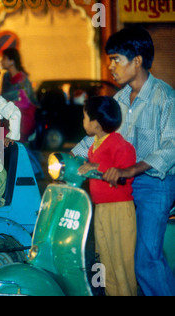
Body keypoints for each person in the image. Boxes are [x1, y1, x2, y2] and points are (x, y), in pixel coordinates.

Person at [71, 27, 175, 296]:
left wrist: (133, 168)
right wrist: (68, 159)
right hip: (120, 188)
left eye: (116, 59)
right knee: (115, 254)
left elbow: (171, 146)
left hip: (154, 185)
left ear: (137, 61)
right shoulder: (117, 100)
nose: (111, 66)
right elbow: (96, 137)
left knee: (146, 259)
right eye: (110, 60)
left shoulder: (165, 98)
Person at [77, 96, 137, 296]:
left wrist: (96, 167)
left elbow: (124, 173)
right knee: (105, 259)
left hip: (119, 209)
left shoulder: (119, 144)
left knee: (121, 262)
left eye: (85, 117)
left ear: (95, 123)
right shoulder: (95, 145)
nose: (83, 121)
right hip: (101, 208)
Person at [0, 47, 38, 143]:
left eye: (4, 58)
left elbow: (25, 103)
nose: (1, 61)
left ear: (12, 61)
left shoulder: (21, 79)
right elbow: (2, 96)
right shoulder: (6, 77)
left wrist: (9, 103)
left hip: (23, 115)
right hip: (7, 113)